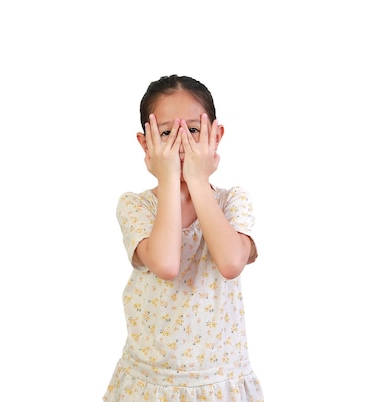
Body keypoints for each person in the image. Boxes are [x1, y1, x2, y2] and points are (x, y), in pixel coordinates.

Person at [103, 74, 264, 401]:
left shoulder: (232, 201)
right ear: (145, 142)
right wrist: (169, 180)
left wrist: (195, 177)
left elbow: (232, 263)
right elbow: (165, 264)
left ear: (215, 136)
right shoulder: (136, 206)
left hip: (220, 381)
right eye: (166, 133)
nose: (181, 143)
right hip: (151, 381)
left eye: (193, 130)